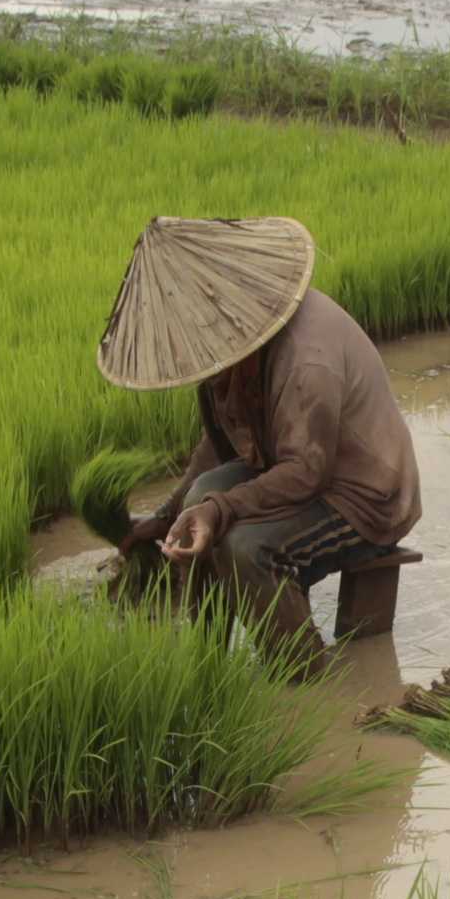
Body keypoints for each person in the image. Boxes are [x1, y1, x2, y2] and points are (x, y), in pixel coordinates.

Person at [95, 215, 420, 658]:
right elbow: (220, 445)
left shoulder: (307, 361)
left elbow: (307, 472)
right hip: (293, 466)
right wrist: (167, 513)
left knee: (246, 548)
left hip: (363, 494)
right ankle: (206, 655)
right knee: (199, 501)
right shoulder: (226, 353)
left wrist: (220, 509)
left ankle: (303, 675)